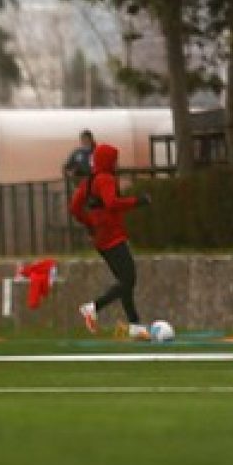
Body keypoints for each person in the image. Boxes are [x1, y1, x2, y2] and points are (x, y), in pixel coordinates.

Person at [69, 141, 150, 335]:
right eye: (114, 160)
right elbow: (112, 203)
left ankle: (135, 326)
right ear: (108, 161)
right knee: (128, 279)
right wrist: (138, 201)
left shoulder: (88, 182)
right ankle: (93, 307)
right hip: (113, 236)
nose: (116, 164)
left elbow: (74, 208)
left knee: (124, 282)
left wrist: (90, 223)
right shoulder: (105, 179)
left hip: (101, 238)